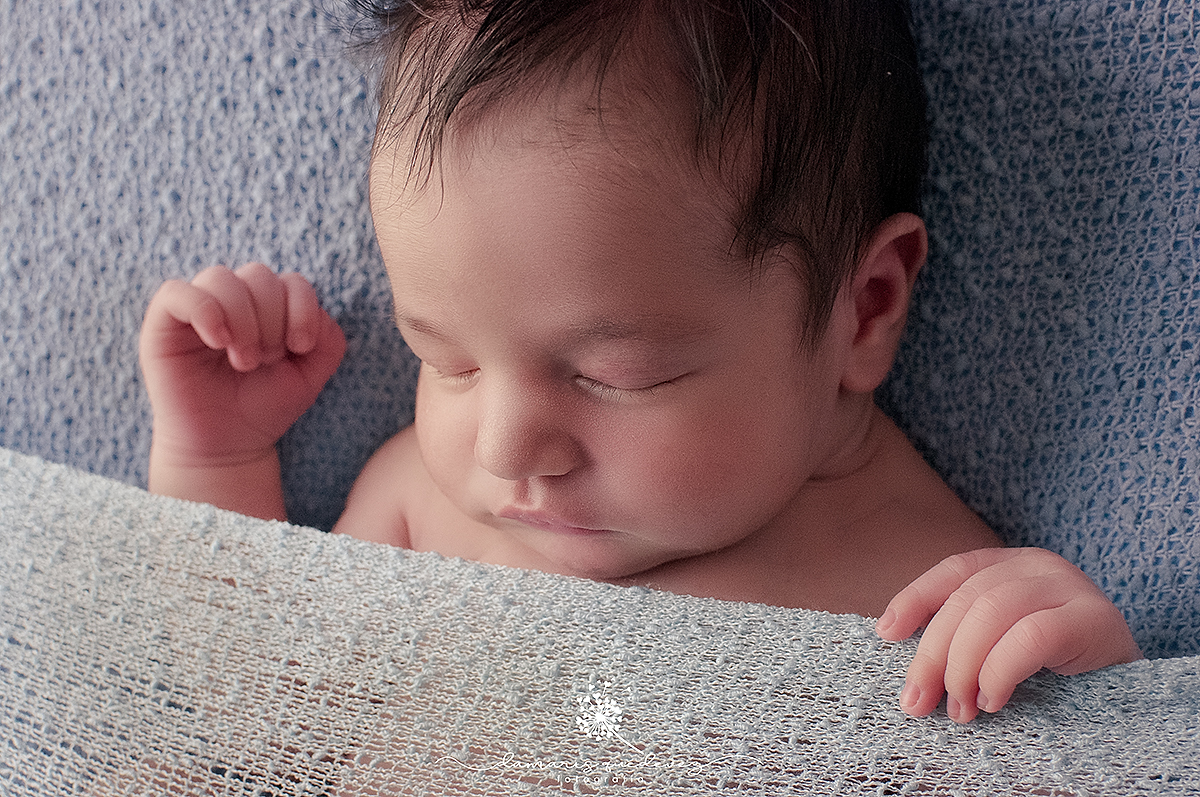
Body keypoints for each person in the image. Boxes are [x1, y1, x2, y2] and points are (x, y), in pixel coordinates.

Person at [138, 0, 1142, 724]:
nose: (506, 446)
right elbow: (240, 703)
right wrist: (219, 463)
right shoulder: (417, 506)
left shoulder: (916, 588)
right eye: (445, 360)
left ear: (864, 307)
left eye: (613, 374)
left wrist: (1097, 692)